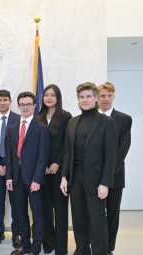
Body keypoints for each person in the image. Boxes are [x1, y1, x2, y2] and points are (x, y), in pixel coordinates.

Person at [60, 82, 118, 255]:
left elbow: (111, 156)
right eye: (81, 97)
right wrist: (64, 177)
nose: (85, 100)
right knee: (78, 219)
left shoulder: (108, 123)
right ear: (78, 99)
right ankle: (81, 251)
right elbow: (67, 151)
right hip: (74, 178)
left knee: (97, 221)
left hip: (96, 179)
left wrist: (105, 182)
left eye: (88, 96)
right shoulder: (72, 122)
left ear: (96, 98)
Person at [6, 91, 50, 255]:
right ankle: (25, 246)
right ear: (18, 106)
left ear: (34, 106)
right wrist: (9, 176)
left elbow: (43, 157)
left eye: (28, 104)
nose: (25, 107)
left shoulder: (41, 128)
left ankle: (36, 249)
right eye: (22, 104)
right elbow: (10, 156)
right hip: (16, 179)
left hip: (34, 180)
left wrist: (37, 179)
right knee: (20, 214)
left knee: (37, 215)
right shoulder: (12, 129)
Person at [36, 85, 72, 255]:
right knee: (45, 210)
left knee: (60, 209)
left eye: (52, 95)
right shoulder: (38, 117)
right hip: (42, 171)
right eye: (46, 95)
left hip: (59, 171)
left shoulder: (66, 117)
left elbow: (68, 144)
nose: (49, 98)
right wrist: (42, 165)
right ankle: (48, 242)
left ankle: (61, 247)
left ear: (58, 97)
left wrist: (58, 163)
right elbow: (35, 146)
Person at [98, 82, 132, 255]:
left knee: (112, 214)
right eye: (102, 95)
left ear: (114, 96)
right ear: (97, 97)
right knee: (95, 215)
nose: (105, 99)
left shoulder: (124, 119)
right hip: (92, 176)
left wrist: (107, 174)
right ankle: (96, 245)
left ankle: (109, 248)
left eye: (108, 95)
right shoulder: (89, 118)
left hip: (115, 175)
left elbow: (122, 149)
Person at [0, 90, 21, 248]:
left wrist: (10, 164)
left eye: (5, 100)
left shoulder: (18, 119)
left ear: (10, 101)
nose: (2, 103)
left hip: (14, 166)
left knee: (16, 202)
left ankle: (17, 234)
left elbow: (21, 144)